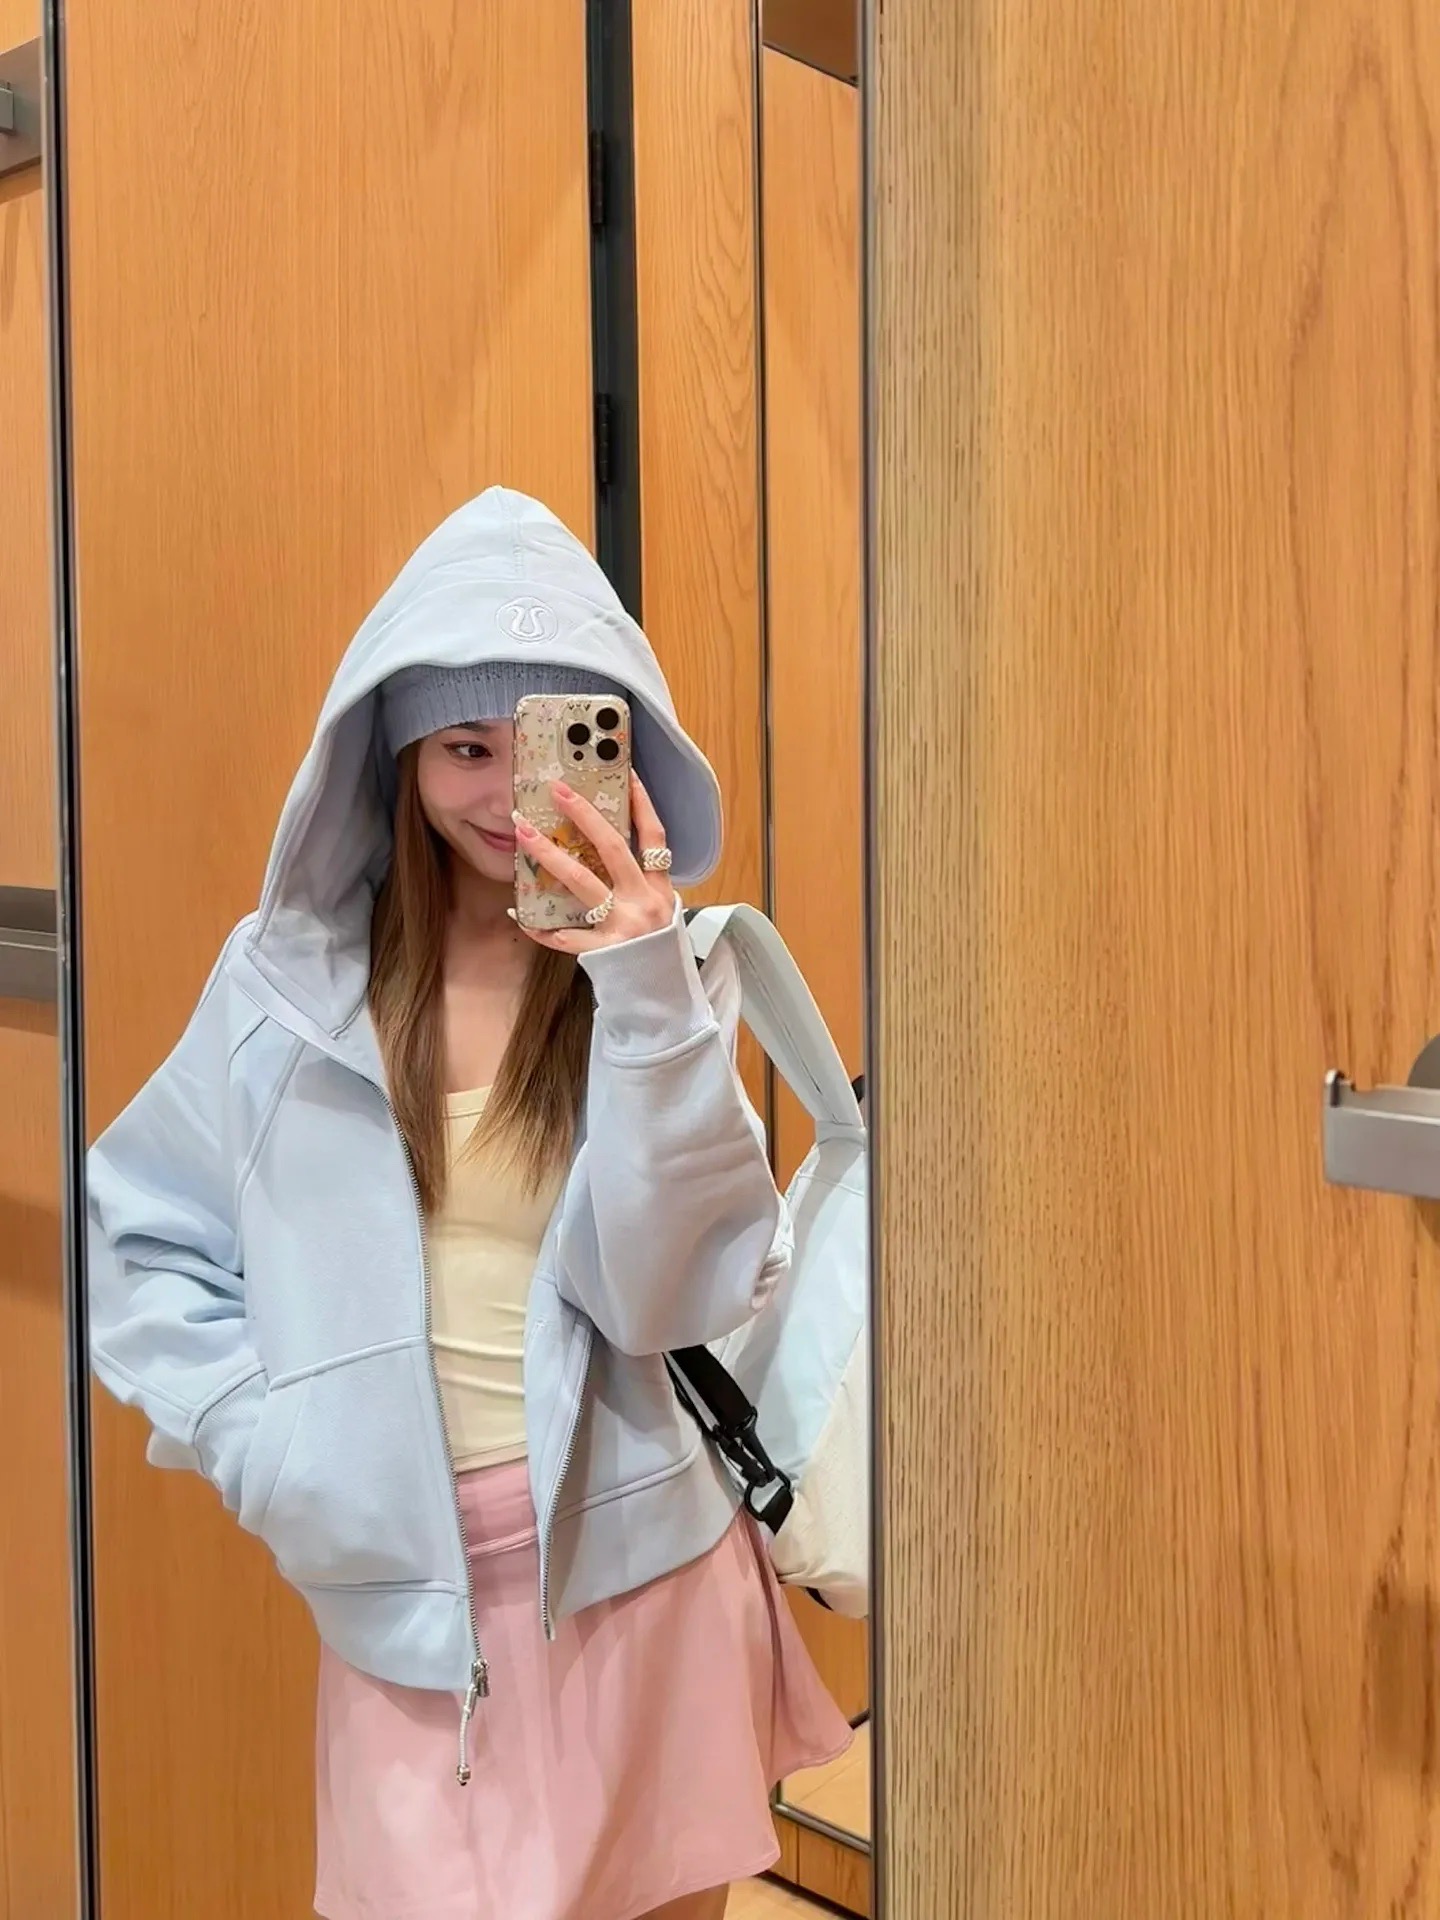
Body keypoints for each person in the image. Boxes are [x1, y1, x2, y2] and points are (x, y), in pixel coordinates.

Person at [87, 487, 852, 1920]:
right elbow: (143, 1235)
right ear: (398, 753)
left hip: (647, 1584)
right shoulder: (288, 986)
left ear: (618, 746)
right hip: (403, 1611)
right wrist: (267, 1446)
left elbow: (669, 1297)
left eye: (548, 741)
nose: (509, 795)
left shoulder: (667, 976)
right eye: (463, 749)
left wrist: (642, 989)